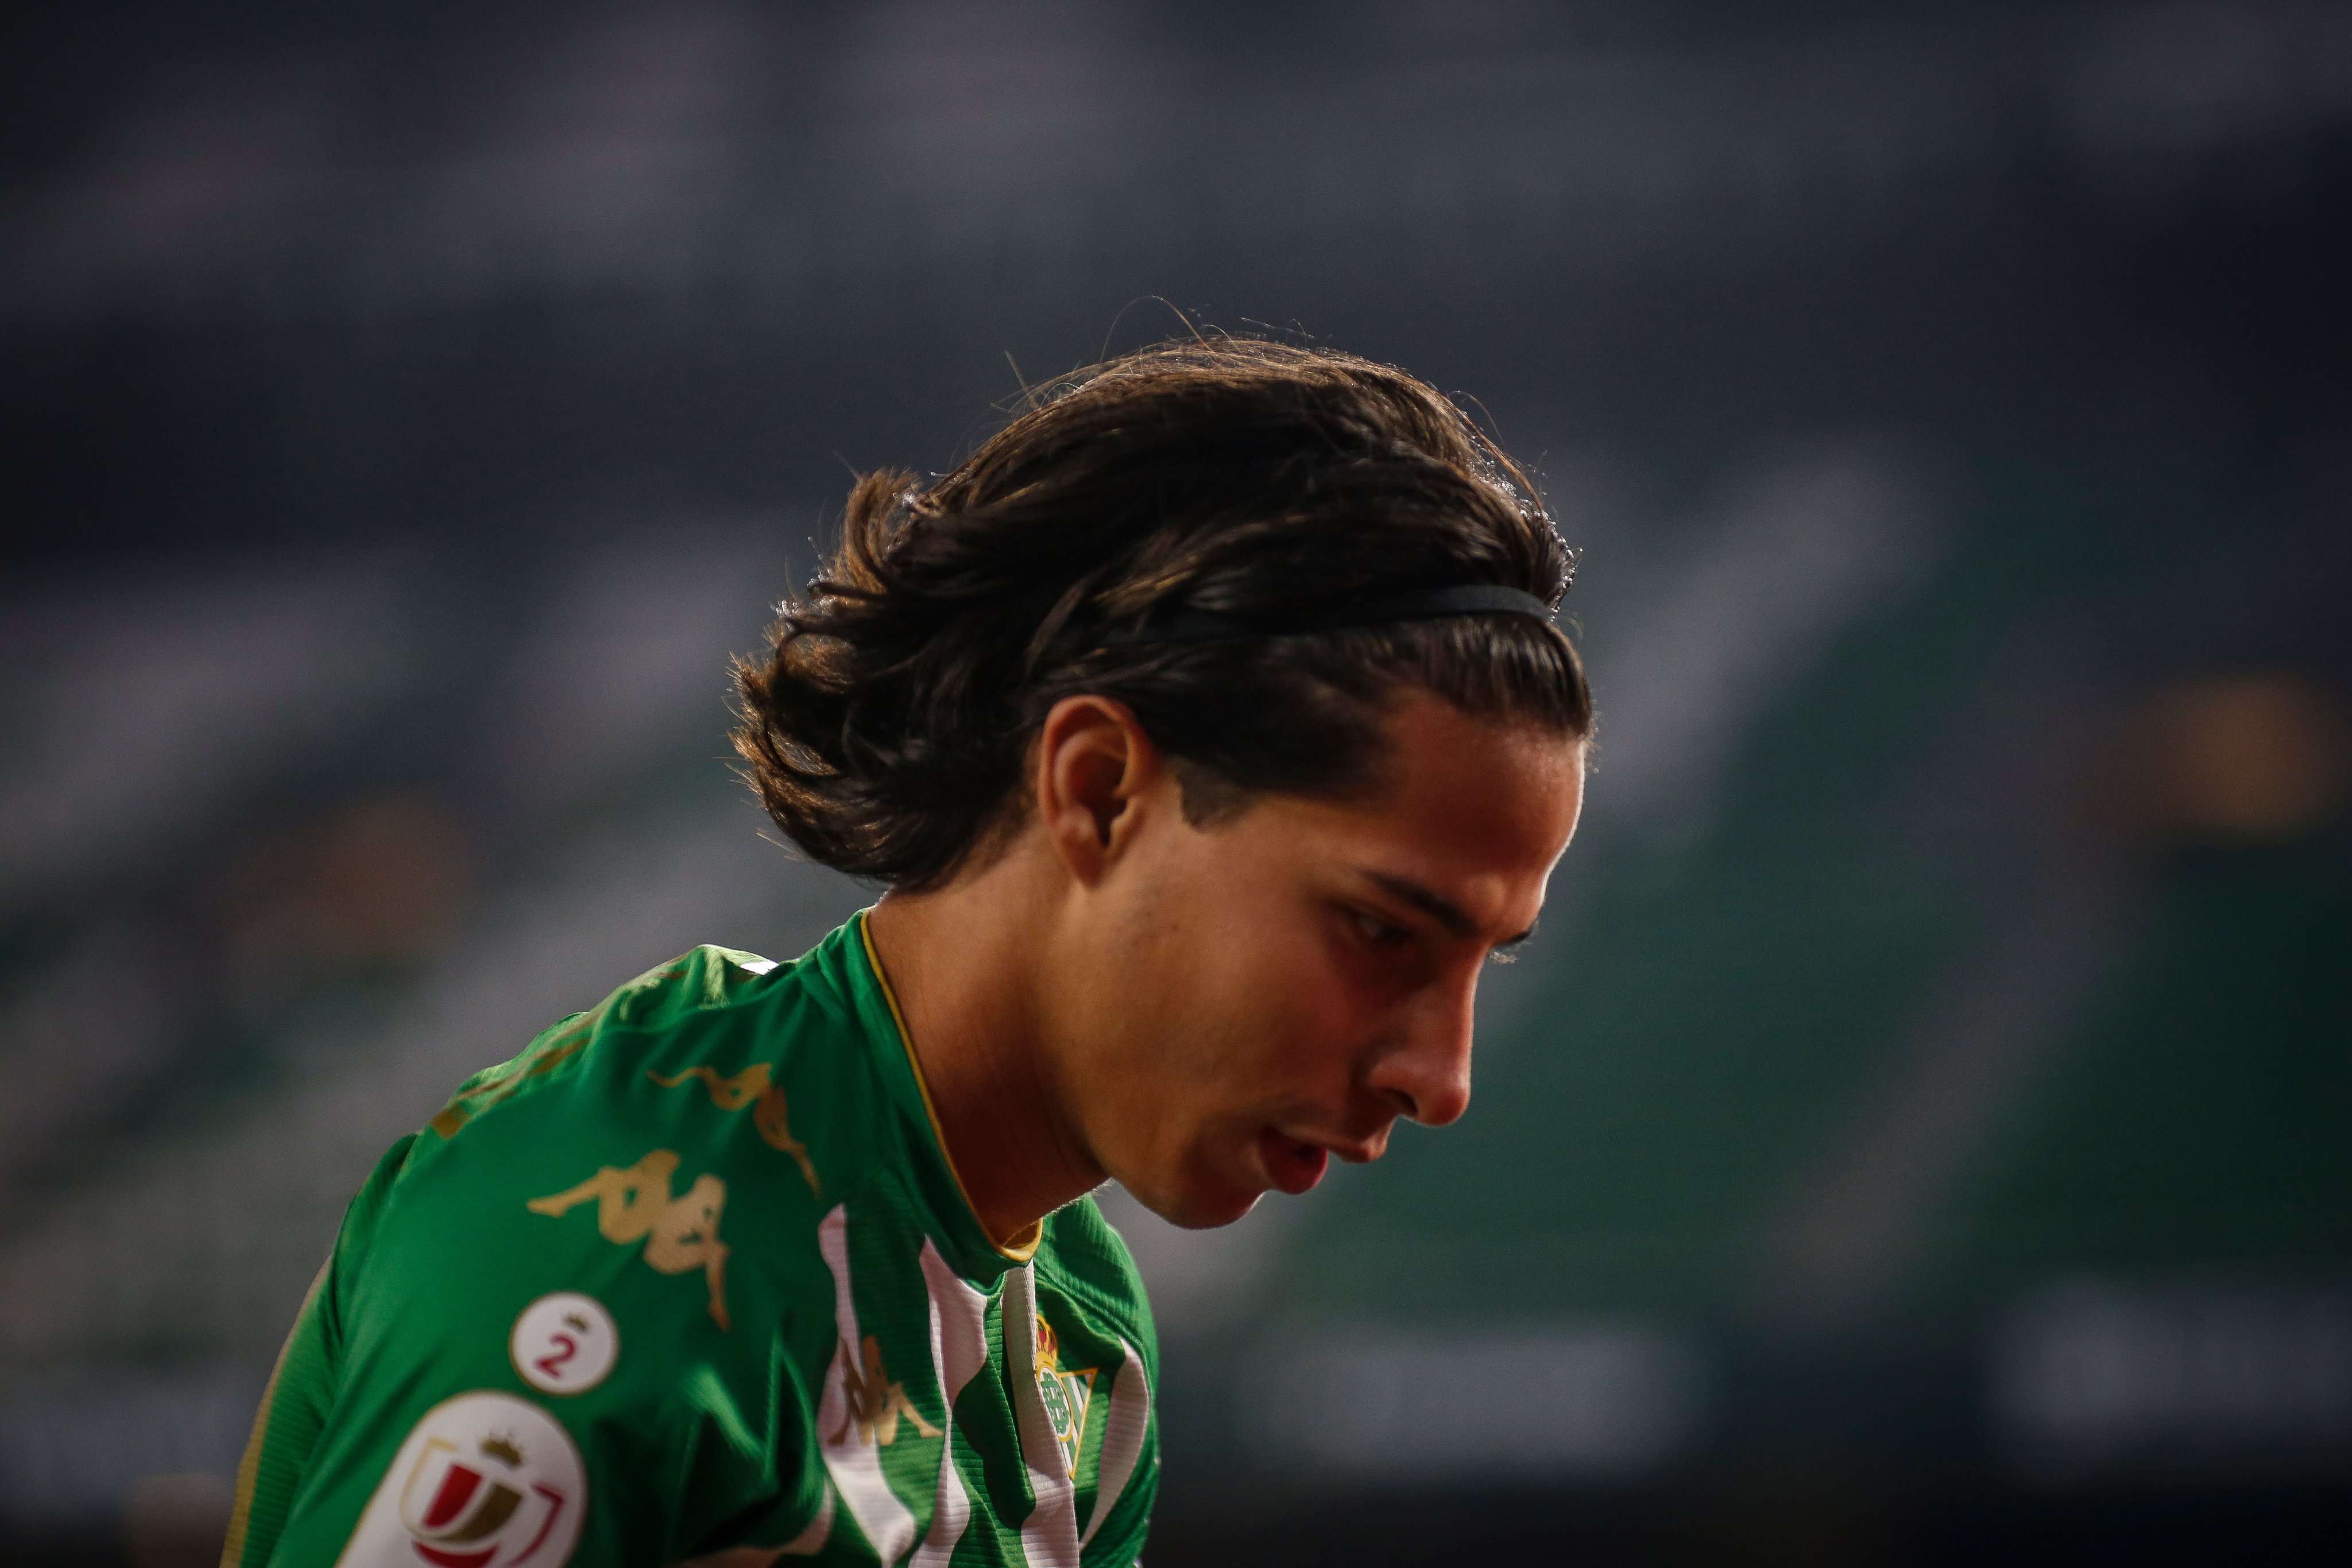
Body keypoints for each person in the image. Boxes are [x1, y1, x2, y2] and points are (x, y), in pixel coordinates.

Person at [220, 338, 1592, 1568]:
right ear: (1099, 786)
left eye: (1489, 958)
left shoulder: (1084, 1336)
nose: (1444, 1074)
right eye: (1379, 930)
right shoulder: (617, 1236)